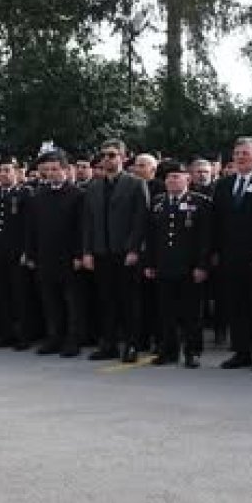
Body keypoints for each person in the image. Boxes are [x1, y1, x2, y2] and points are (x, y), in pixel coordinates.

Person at [81, 140, 150, 364]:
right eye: (104, 155)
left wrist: (133, 248)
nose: (107, 159)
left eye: (112, 155)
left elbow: (141, 220)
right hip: (102, 251)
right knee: (105, 300)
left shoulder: (136, 184)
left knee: (129, 302)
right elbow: (88, 223)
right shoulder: (93, 186)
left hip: (125, 252)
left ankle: (132, 344)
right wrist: (88, 251)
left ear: (123, 157)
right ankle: (108, 343)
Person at [144, 161, 212, 367]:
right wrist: (150, 263)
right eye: (169, 177)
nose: (172, 180)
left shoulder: (200, 202)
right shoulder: (158, 202)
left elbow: (205, 238)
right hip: (164, 266)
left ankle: (193, 351)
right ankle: (169, 350)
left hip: (189, 267)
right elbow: (151, 237)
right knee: (166, 312)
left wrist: (202, 265)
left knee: (192, 313)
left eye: (177, 176)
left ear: (187, 179)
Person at [211, 136, 252, 372]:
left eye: (245, 153)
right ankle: (241, 351)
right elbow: (216, 222)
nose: (240, 157)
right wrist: (214, 251)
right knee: (236, 305)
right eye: (236, 153)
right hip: (231, 256)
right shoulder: (224, 185)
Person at [26, 151, 87, 358]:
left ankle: (73, 339)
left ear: (65, 170)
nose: (51, 173)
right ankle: (54, 337)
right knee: (50, 302)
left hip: (69, 257)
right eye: (48, 170)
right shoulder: (39, 195)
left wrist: (80, 255)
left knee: (72, 302)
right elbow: (32, 228)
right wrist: (31, 254)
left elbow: (82, 228)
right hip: (45, 256)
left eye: (55, 169)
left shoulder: (77, 195)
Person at [0, 158, 33, 349]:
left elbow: (29, 226)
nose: (3, 174)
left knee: (20, 296)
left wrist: (27, 251)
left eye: (7, 170)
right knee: (1, 294)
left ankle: (24, 336)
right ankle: (6, 334)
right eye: (0, 171)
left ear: (16, 172)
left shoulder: (25, 194)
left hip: (17, 253)